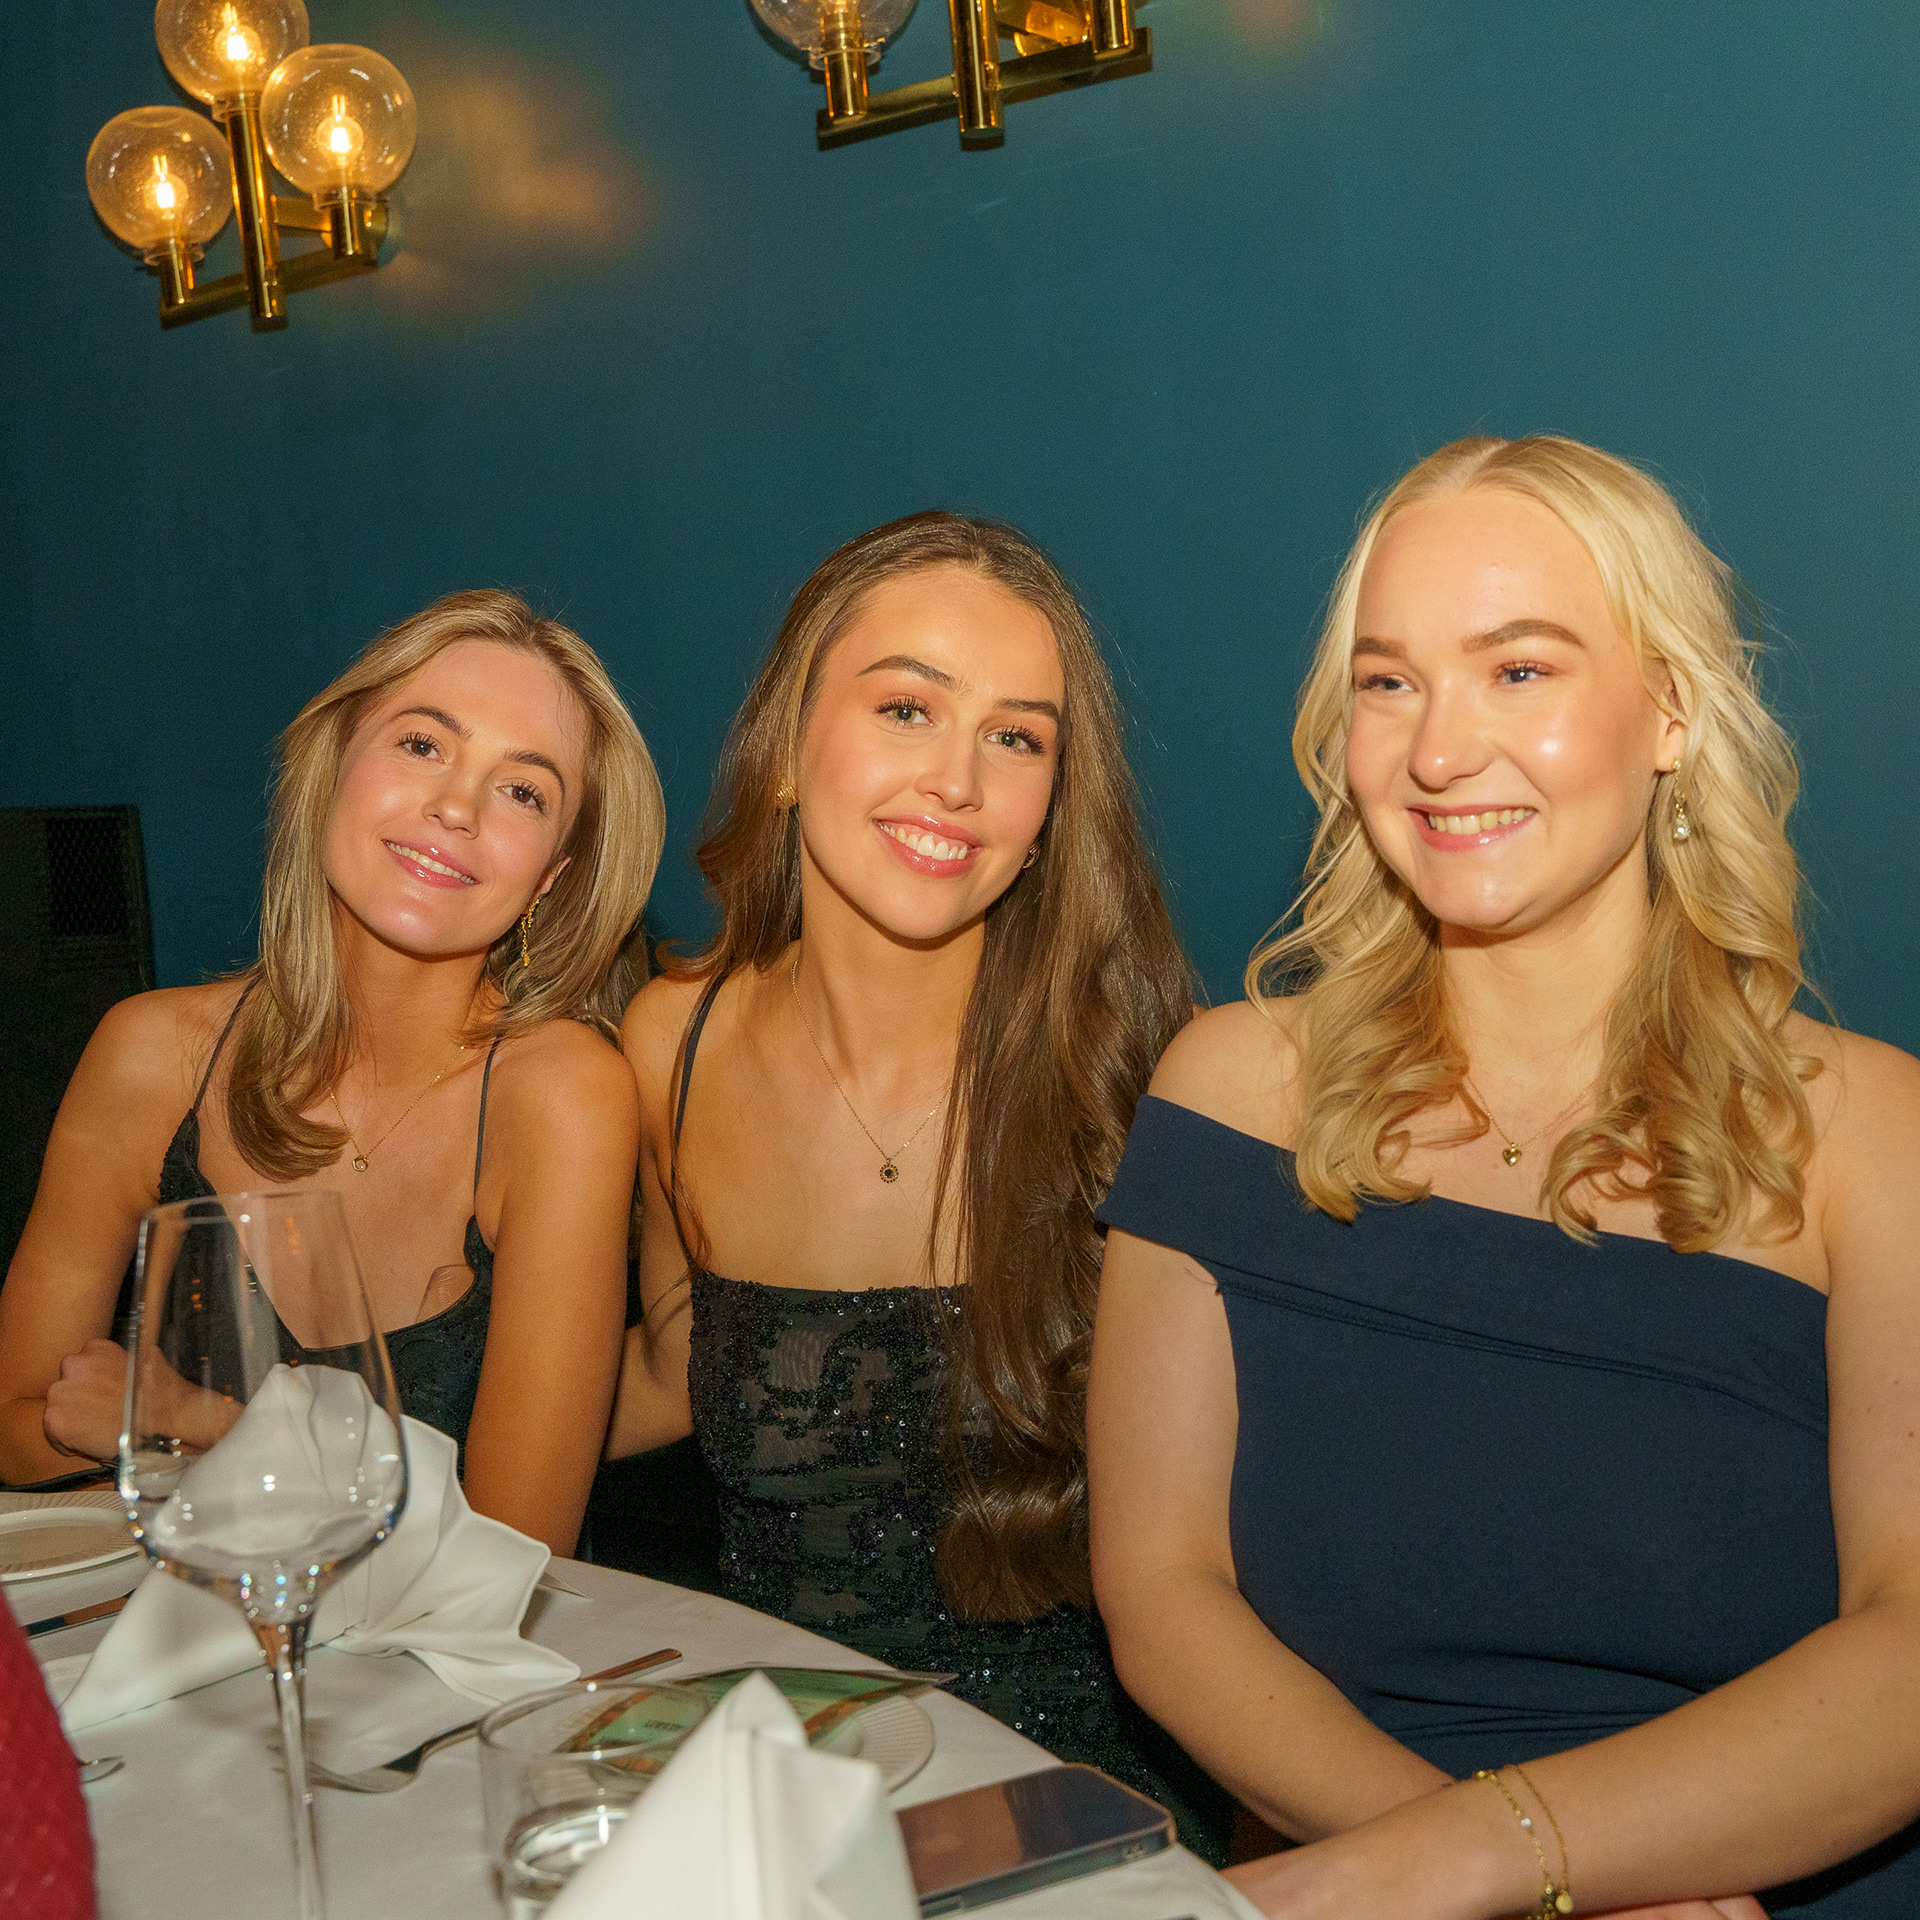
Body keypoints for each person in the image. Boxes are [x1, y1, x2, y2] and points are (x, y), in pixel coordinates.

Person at [1088, 433, 1920, 1918]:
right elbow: (1163, 1594)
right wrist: (1506, 1873)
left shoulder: (1874, 1137)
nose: (1437, 750)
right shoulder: (1226, 1090)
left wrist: (1514, 1856)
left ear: (1670, 711)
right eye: (1389, 682)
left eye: (1519, 670)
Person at [605, 512, 1227, 1851]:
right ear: (785, 751)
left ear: (1051, 810)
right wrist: (357, 1449)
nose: (957, 780)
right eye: (906, 709)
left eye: (1017, 739)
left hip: (1077, 1803)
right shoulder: (670, 1044)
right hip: (782, 1782)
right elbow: (673, 1366)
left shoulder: (1151, 1076)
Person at [0, 590, 662, 1557]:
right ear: (335, 764)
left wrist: (197, 1423)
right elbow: (21, 1428)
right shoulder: (152, 1055)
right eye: (423, 744)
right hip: (184, 1622)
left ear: (552, 876)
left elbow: (518, 1541)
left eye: (523, 791)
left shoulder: (563, 1095)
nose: (456, 806)